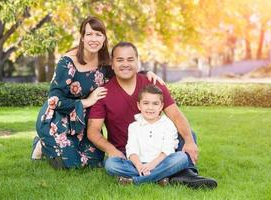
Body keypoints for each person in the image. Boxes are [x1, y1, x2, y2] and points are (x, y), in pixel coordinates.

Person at [32, 17, 163, 169]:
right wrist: (86, 102)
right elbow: (54, 100)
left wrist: (147, 73)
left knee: (95, 162)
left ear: (104, 38)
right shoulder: (68, 62)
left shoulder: (104, 61)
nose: (94, 39)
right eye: (89, 34)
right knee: (71, 165)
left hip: (82, 121)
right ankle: (41, 143)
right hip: (58, 118)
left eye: (98, 34)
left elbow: (123, 70)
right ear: (82, 37)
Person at [87, 41, 217, 189]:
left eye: (130, 59)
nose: (125, 64)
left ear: (137, 61)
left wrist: (189, 141)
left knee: (188, 135)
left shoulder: (152, 83)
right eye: (120, 60)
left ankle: (184, 174)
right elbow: (93, 131)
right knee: (111, 165)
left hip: (159, 149)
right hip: (129, 154)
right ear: (112, 63)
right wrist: (112, 151)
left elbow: (175, 115)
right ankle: (172, 174)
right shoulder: (103, 92)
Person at [105, 84, 189, 185]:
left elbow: (168, 149)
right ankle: (160, 177)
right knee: (111, 164)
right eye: (146, 103)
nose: (150, 107)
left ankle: (135, 181)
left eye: (155, 104)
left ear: (161, 106)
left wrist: (151, 165)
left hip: (161, 163)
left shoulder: (168, 124)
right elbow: (132, 149)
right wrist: (139, 165)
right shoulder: (134, 126)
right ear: (139, 106)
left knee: (182, 158)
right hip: (137, 164)